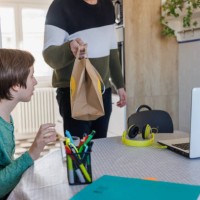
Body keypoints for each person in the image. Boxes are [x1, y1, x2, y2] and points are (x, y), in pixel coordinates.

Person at [43, 0, 126, 139]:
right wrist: (70, 48)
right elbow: (49, 55)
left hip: (102, 91)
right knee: (79, 152)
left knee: (101, 148)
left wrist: (120, 85)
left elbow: (112, 49)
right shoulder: (60, 6)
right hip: (74, 92)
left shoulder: (107, 6)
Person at [0, 49, 57, 199]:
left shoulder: (6, 117)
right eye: (31, 75)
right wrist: (31, 153)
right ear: (16, 85)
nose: (36, 81)